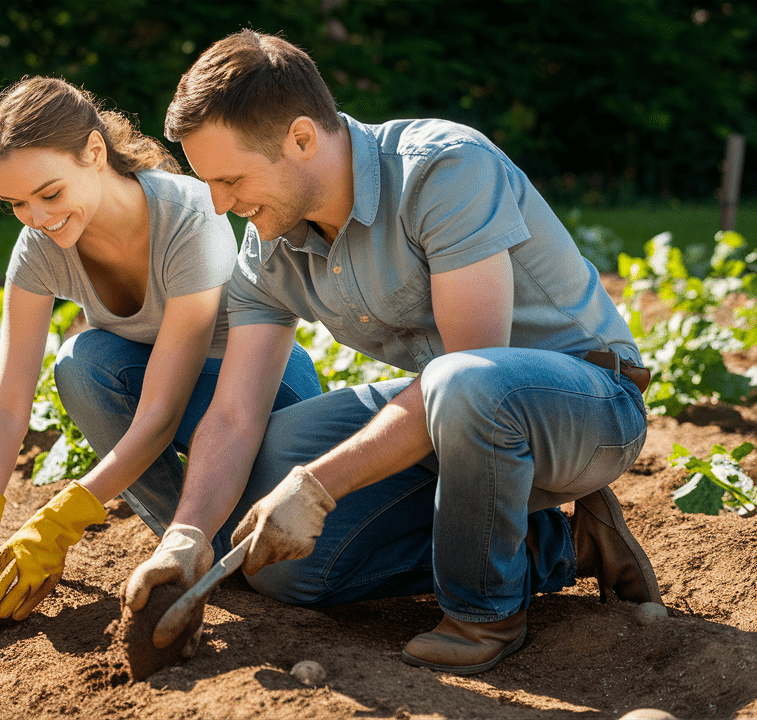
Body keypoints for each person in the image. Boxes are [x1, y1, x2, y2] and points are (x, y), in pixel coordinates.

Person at [124, 30, 660, 675]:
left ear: (301, 138)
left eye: (231, 178)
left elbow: (473, 364)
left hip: (586, 409)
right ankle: (567, 546)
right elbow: (234, 414)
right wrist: (187, 536)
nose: (218, 203)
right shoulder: (268, 248)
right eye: (207, 182)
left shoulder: (443, 168)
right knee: (288, 562)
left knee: (461, 383)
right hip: (453, 414)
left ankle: (483, 612)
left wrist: (320, 488)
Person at [0, 76, 322, 624]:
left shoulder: (189, 216)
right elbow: (10, 395)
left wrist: (62, 519)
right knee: (82, 364)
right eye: (16, 203)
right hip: (175, 402)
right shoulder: (40, 249)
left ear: (94, 152)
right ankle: (184, 544)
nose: (38, 218)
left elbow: (161, 413)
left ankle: (211, 535)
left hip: (259, 397)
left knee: (294, 567)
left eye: (50, 193)